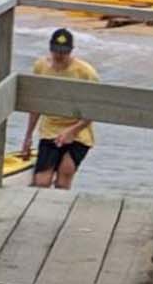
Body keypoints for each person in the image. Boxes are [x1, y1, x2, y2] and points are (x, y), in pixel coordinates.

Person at [19, 28, 100, 189]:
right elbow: (36, 104)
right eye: (56, 51)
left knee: (64, 176)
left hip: (78, 131)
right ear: (50, 49)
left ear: (71, 51)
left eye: (64, 52)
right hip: (51, 128)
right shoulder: (41, 67)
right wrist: (28, 136)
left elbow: (96, 108)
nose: (60, 56)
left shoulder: (85, 72)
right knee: (42, 181)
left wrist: (72, 130)